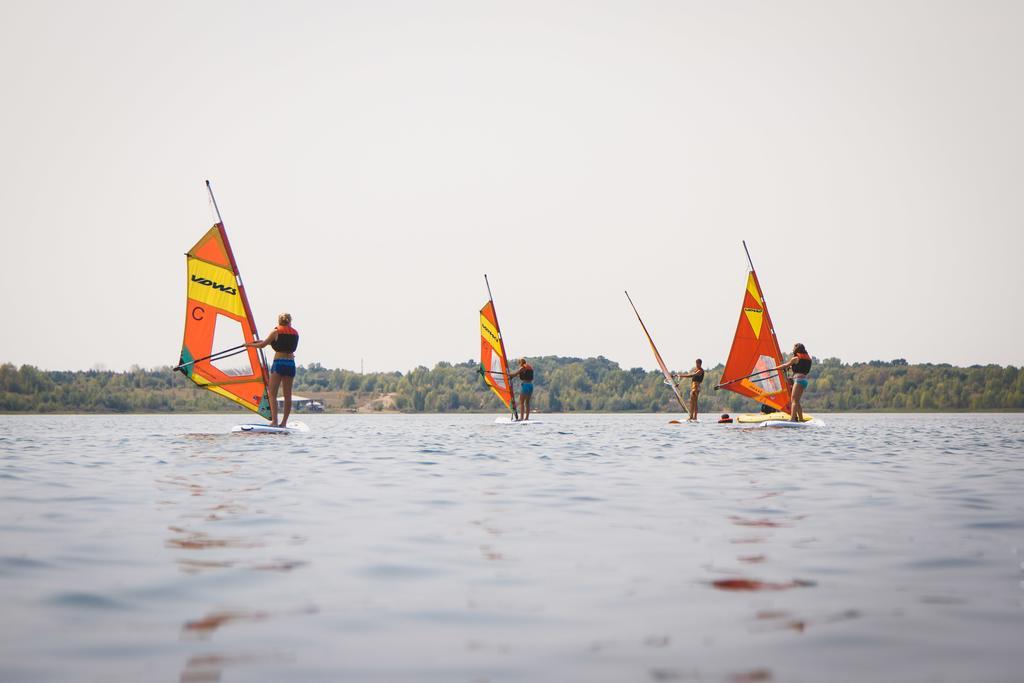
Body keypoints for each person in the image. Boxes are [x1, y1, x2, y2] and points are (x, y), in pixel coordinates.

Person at [246, 312, 299, 427]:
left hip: (279, 363)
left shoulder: (275, 332)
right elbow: (281, 344)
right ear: (290, 321)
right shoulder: (295, 333)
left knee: (272, 393)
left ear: (279, 321)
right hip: (290, 364)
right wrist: (261, 342)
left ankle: (274, 421)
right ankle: (284, 423)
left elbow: (263, 345)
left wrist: (249, 345)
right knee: (287, 395)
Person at [776, 343, 812, 422]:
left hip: (798, 380)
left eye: (793, 348)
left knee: (794, 400)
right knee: (797, 401)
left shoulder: (796, 358)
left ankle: (792, 419)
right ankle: (801, 419)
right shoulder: (807, 358)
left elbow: (785, 365)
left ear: (796, 349)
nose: (792, 349)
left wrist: (775, 368)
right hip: (803, 380)